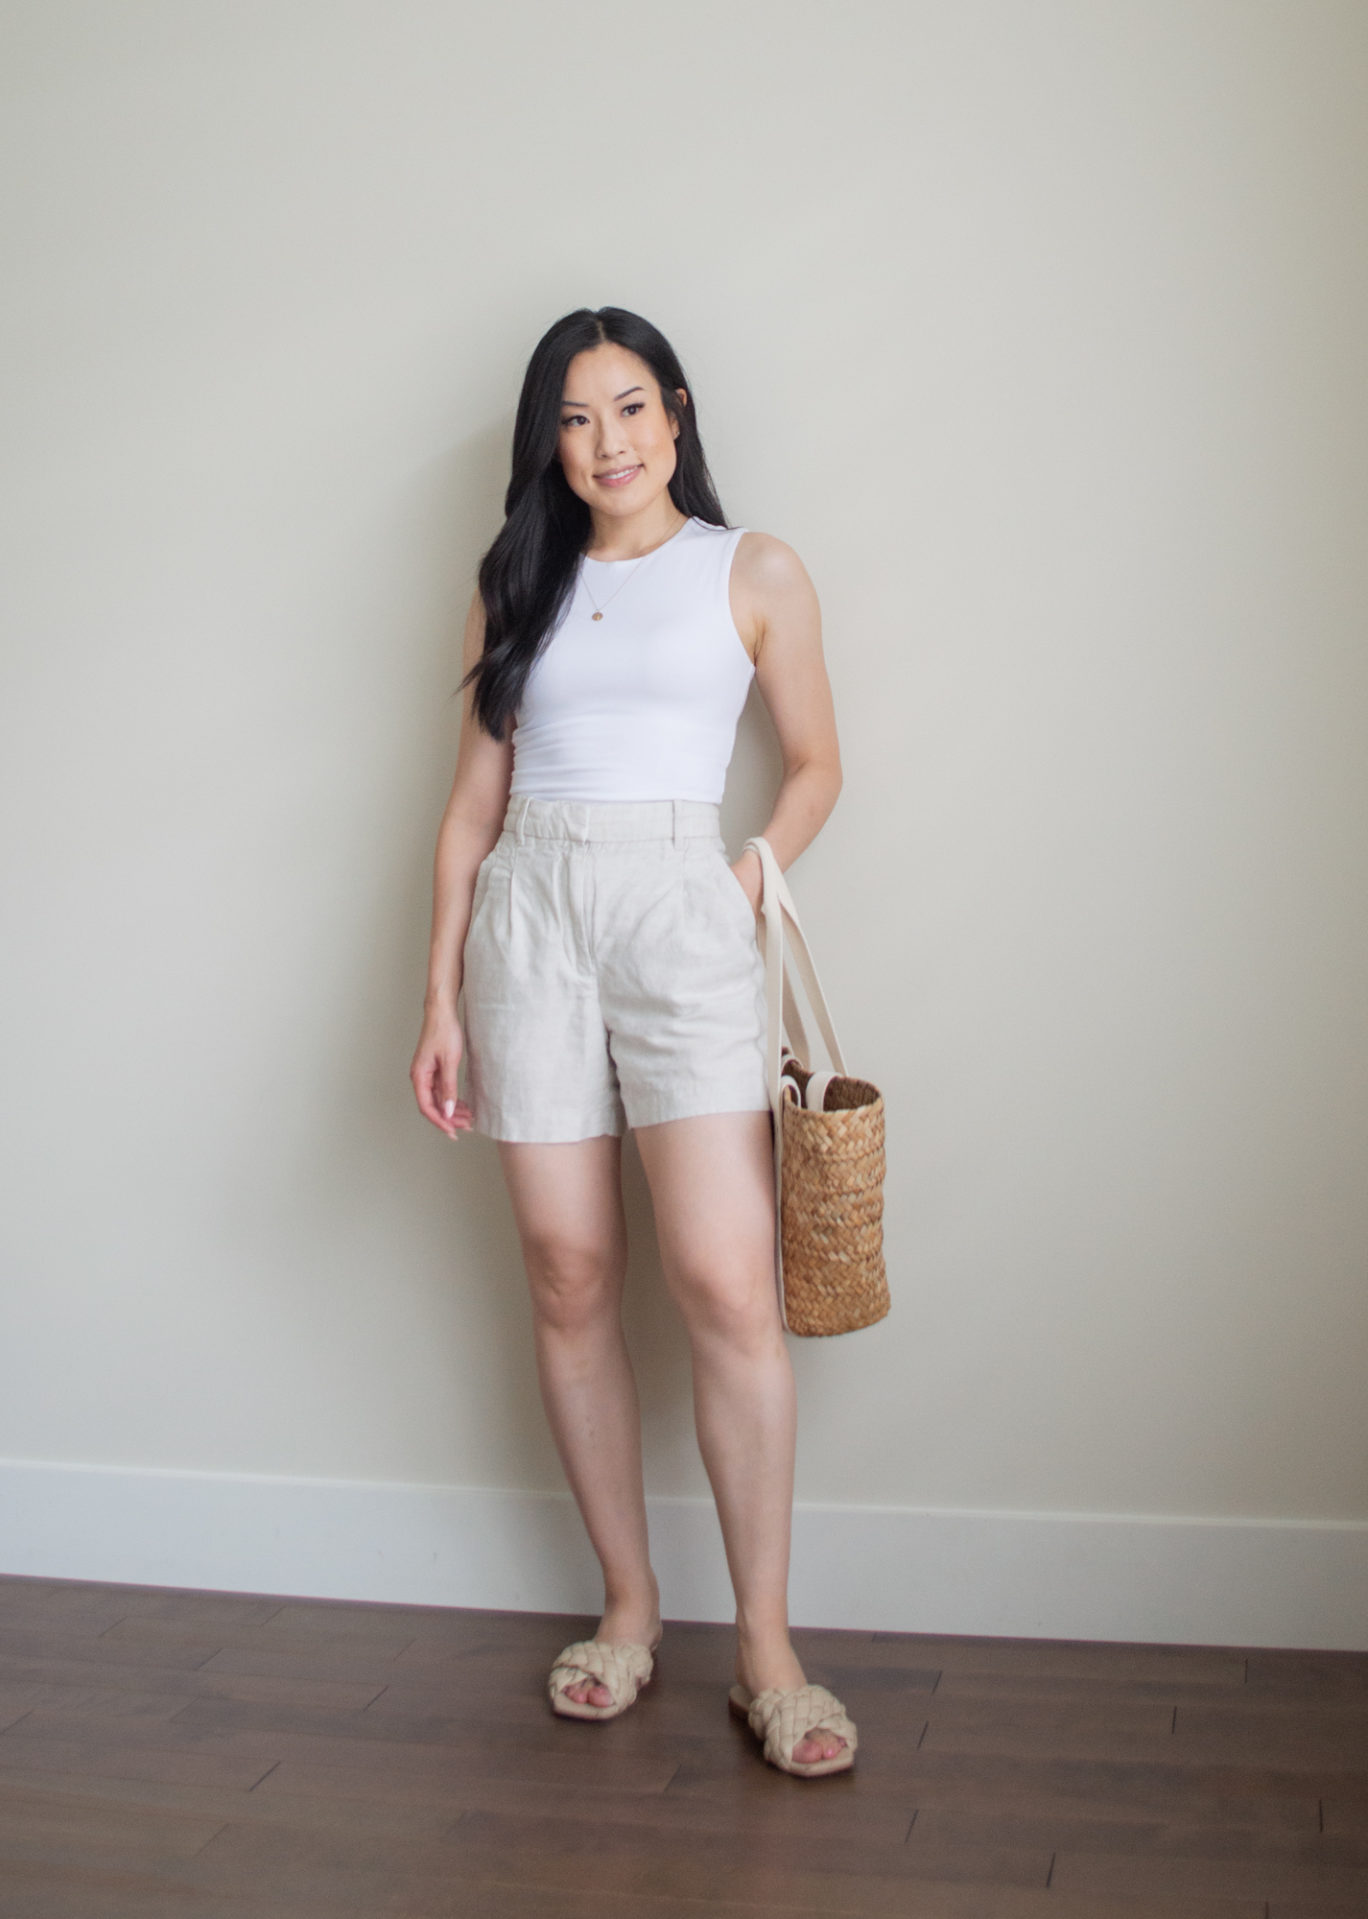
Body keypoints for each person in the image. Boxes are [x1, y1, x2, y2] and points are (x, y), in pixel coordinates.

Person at [410, 306, 856, 1778]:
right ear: (551, 439)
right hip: (528, 913)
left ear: (675, 410)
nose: (608, 443)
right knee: (568, 1270)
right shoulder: (514, 584)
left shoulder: (752, 569)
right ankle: (629, 1605)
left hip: (684, 899)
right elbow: (471, 811)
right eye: (576, 418)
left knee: (726, 1280)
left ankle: (771, 1653)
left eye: (630, 409)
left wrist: (734, 887)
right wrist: (438, 1000)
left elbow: (814, 767)